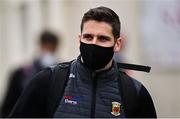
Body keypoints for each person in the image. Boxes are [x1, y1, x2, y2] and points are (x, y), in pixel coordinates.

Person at [9, 6, 157, 118]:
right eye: (88, 37)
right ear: (79, 39)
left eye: (102, 38)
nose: (93, 43)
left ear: (117, 44)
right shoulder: (48, 81)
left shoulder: (135, 94)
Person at [0, 30, 60, 117]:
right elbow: (8, 106)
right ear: (40, 46)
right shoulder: (21, 74)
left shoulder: (62, 73)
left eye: (51, 48)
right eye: (46, 47)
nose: (48, 52)